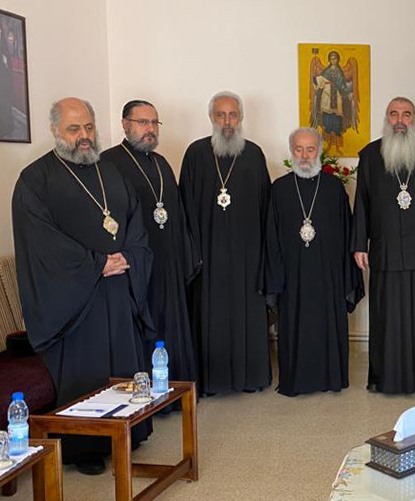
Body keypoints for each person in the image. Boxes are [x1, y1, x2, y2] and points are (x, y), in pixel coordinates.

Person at [12, 97, 153, 474]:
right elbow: (41, 244)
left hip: (118, 289)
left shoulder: (110, 171)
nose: (84, 137)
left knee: (122, 363)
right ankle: (84, 447)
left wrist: (131, 255)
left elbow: (134, 220)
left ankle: (128, 432)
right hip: (76, 302)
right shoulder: (35, 180)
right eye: (74, 129)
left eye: (89, 127)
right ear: (56, 130)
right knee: (86, 374)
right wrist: (96, 264)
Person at [352, 97, 415, 394]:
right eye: (394, 114)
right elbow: (362, 202)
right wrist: (360, 244)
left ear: (414, 119)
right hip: (385, 250)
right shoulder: (370, 155)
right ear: (386, 118)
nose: (400, 120)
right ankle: (386, 377)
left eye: (406, 114)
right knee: (387, 315)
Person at [101, 100, 200, 388]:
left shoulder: (161, 163)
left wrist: (184, 256)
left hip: (167, 262)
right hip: (135, 266)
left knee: (171, 324)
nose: (150, 129)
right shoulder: (108, 163)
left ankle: (175, 389)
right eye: (143, 122)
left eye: (154, 123)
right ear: (125, 124)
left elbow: (177, 214)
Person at [179, 91, 272, 395]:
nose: (227, 121)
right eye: (221, 115)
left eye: (233, 115)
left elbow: (266, 208)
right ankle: (211, 381)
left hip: (247, 256)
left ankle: (251, 378)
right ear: (211, 118)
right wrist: (193, 253)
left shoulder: (255, 154)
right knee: (210, 317)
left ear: (241, 118)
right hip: (208, 255)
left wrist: (263, 255)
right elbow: (185, 209)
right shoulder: (195, 154)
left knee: (247, 314)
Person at [266, 128, 363, 395]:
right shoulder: (279, 189)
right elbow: (271, 237)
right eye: (299, 149)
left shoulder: (333, 188)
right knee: (294, 327)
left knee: (326, 326)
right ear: (291, 151)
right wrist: (276, 276)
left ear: (319, 151)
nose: (305, 155)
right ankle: (295, 381)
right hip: (293, 275)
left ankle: (331, 378)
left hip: (327, 275)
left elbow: (346, 234)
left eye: (310, 149)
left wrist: (345, 274)